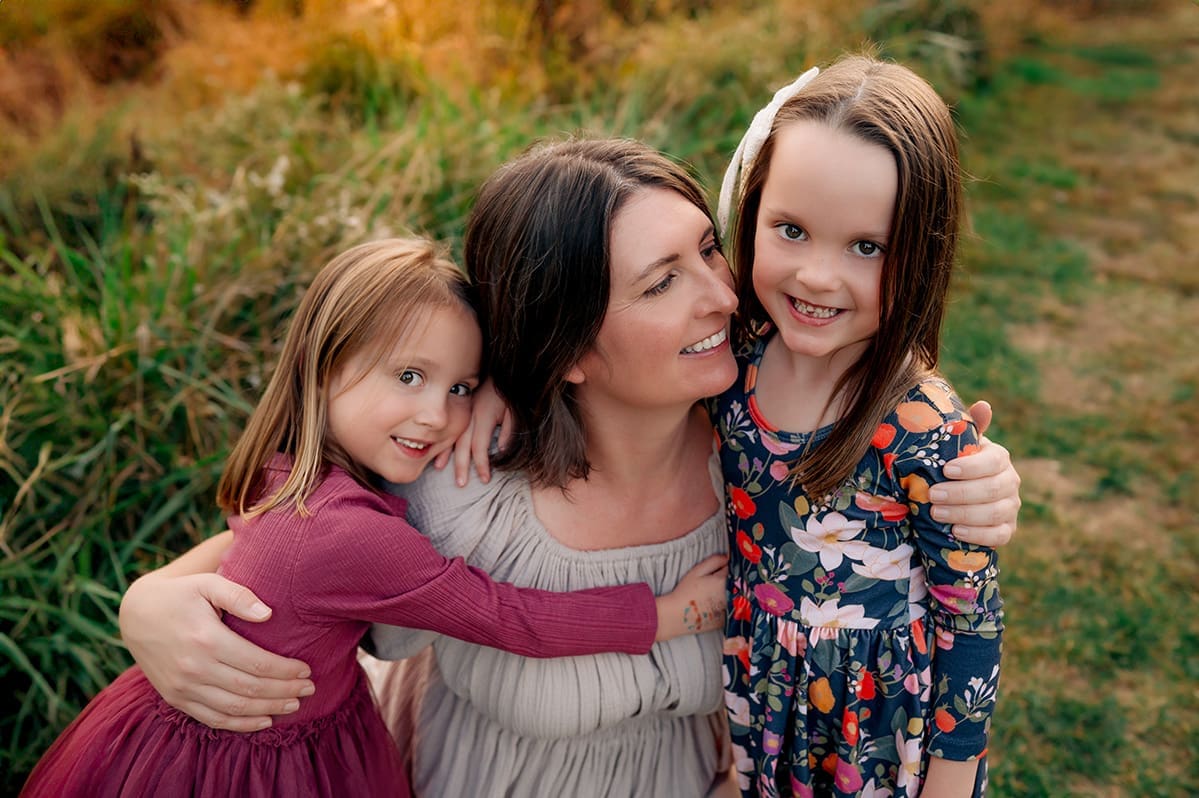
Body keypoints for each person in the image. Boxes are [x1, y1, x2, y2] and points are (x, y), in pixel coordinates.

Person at [117, 141, 1022, 796]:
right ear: (569, 347)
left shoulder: (762, 461)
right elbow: (304, 543)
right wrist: (150, 597)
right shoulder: (466, 475)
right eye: (659, 281)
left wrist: (978, 482)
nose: (721, 293)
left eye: (709, 249)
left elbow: (886, 434)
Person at [20, 238, 729, 798]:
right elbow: (514, 619)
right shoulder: (353, 534)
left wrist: (505, 389)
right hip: (245, 762)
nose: (436, 414)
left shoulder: (289, 468)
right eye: (409, 377)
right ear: (322, 366)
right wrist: (674, 615)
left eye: (459, 387)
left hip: (240, 730)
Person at [713, 55, 1003, 797]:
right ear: (749, 214)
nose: (816, 276)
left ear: (922, 252)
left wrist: (949, 781)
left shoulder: (917, 426)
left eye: (865, 247)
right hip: (761, 702)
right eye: (790, 230)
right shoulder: (728, 367)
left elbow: (969, 625)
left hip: (876, 733)